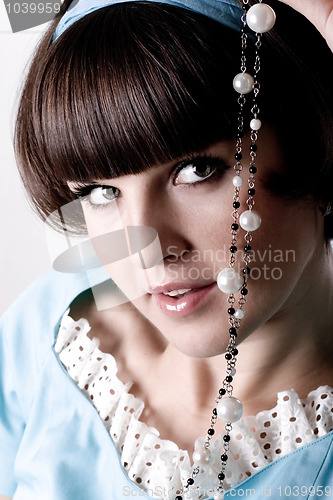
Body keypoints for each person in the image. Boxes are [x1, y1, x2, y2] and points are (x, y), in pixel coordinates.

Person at [1, 0, 333, 499]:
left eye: (197, 170)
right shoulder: (50, 325)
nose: (147, 251)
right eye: (99, 191)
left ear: (316, 144)